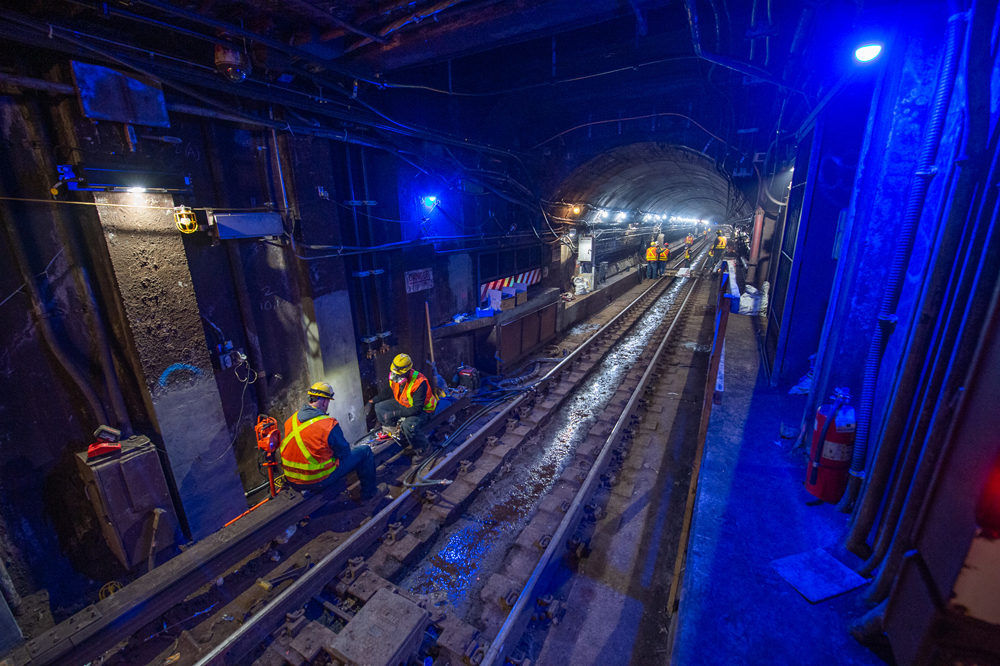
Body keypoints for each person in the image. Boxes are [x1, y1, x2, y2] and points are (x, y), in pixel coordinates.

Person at [281, 382, 380, 501]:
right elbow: (344, 453)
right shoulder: (328, 424)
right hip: (318, 480)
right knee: (365, 452)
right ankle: (370, 494)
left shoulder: (291, 420)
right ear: (324, 401)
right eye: (328, 401)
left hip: (293, 480)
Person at [368, 354, 438, 454]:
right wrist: (373, 401)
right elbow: (389, 390)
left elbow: (416, 409)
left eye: (398, 374)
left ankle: (424, 450)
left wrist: (393, 414)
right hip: (405, 404)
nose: (395, 376)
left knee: (409, 426)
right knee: (379, 407)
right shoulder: (396, 376)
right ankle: (397, 433)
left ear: (407, 371)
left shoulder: (419, 382)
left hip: (423, 410)